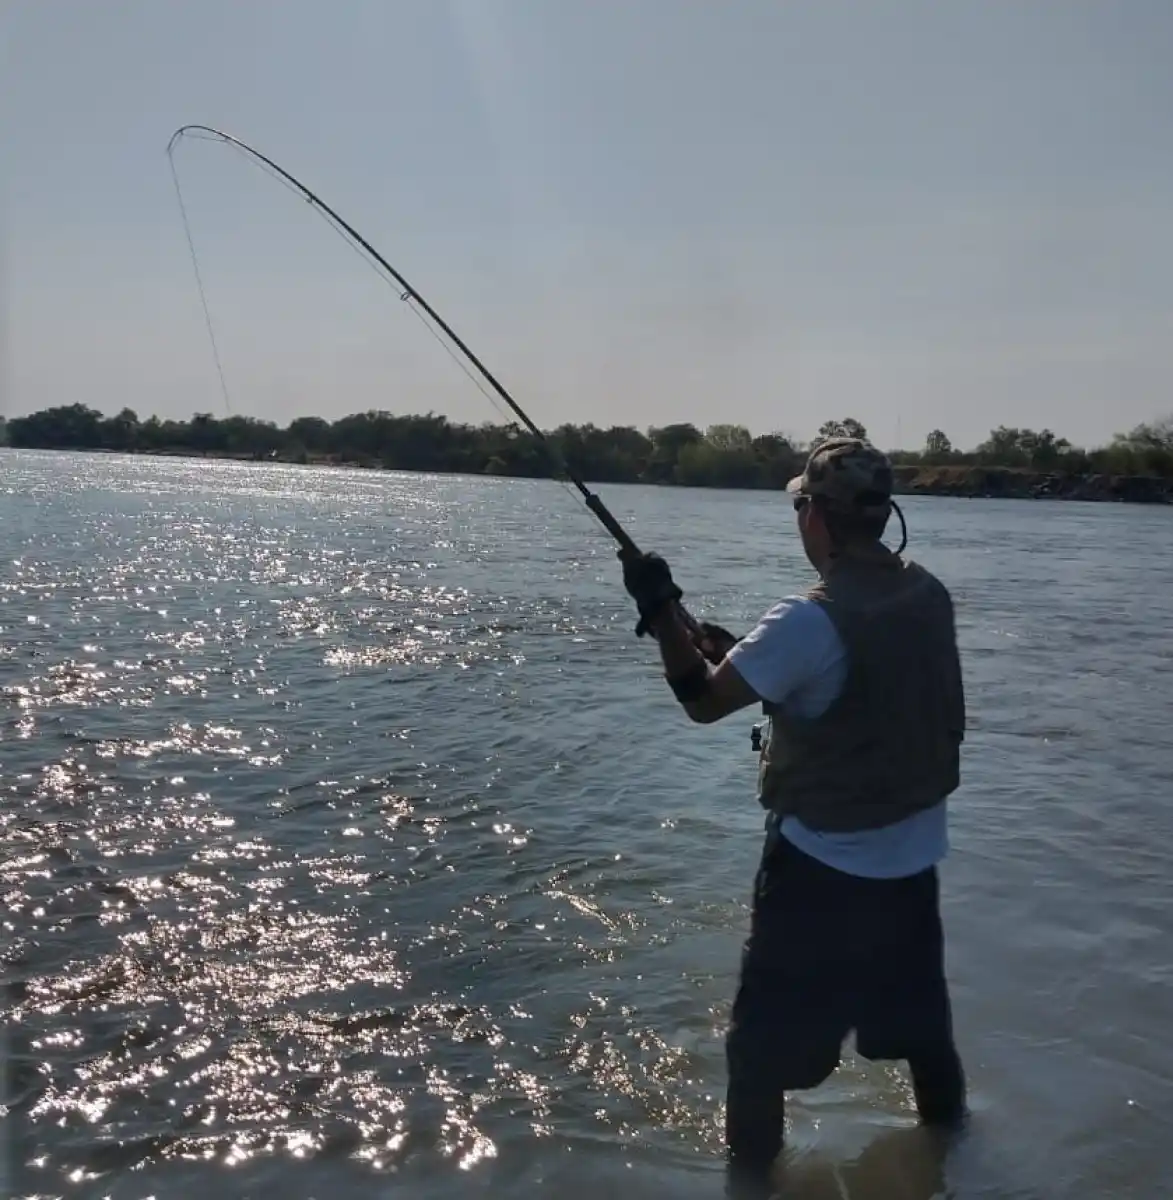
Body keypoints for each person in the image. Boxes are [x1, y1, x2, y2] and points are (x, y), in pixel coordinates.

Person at [618, 437, 968, 1192]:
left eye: (798, 504)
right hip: (913, 871)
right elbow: (868, 694)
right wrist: (728, 646)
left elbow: (702, 702)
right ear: (881, 516)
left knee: (756, 1063)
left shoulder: (806, 623)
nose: (797, 516)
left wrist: (657, 613)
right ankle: (954, 1166)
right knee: (924, 1043)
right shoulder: (927, 594)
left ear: (815, 515)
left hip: (820, 880)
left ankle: (748, 1187)